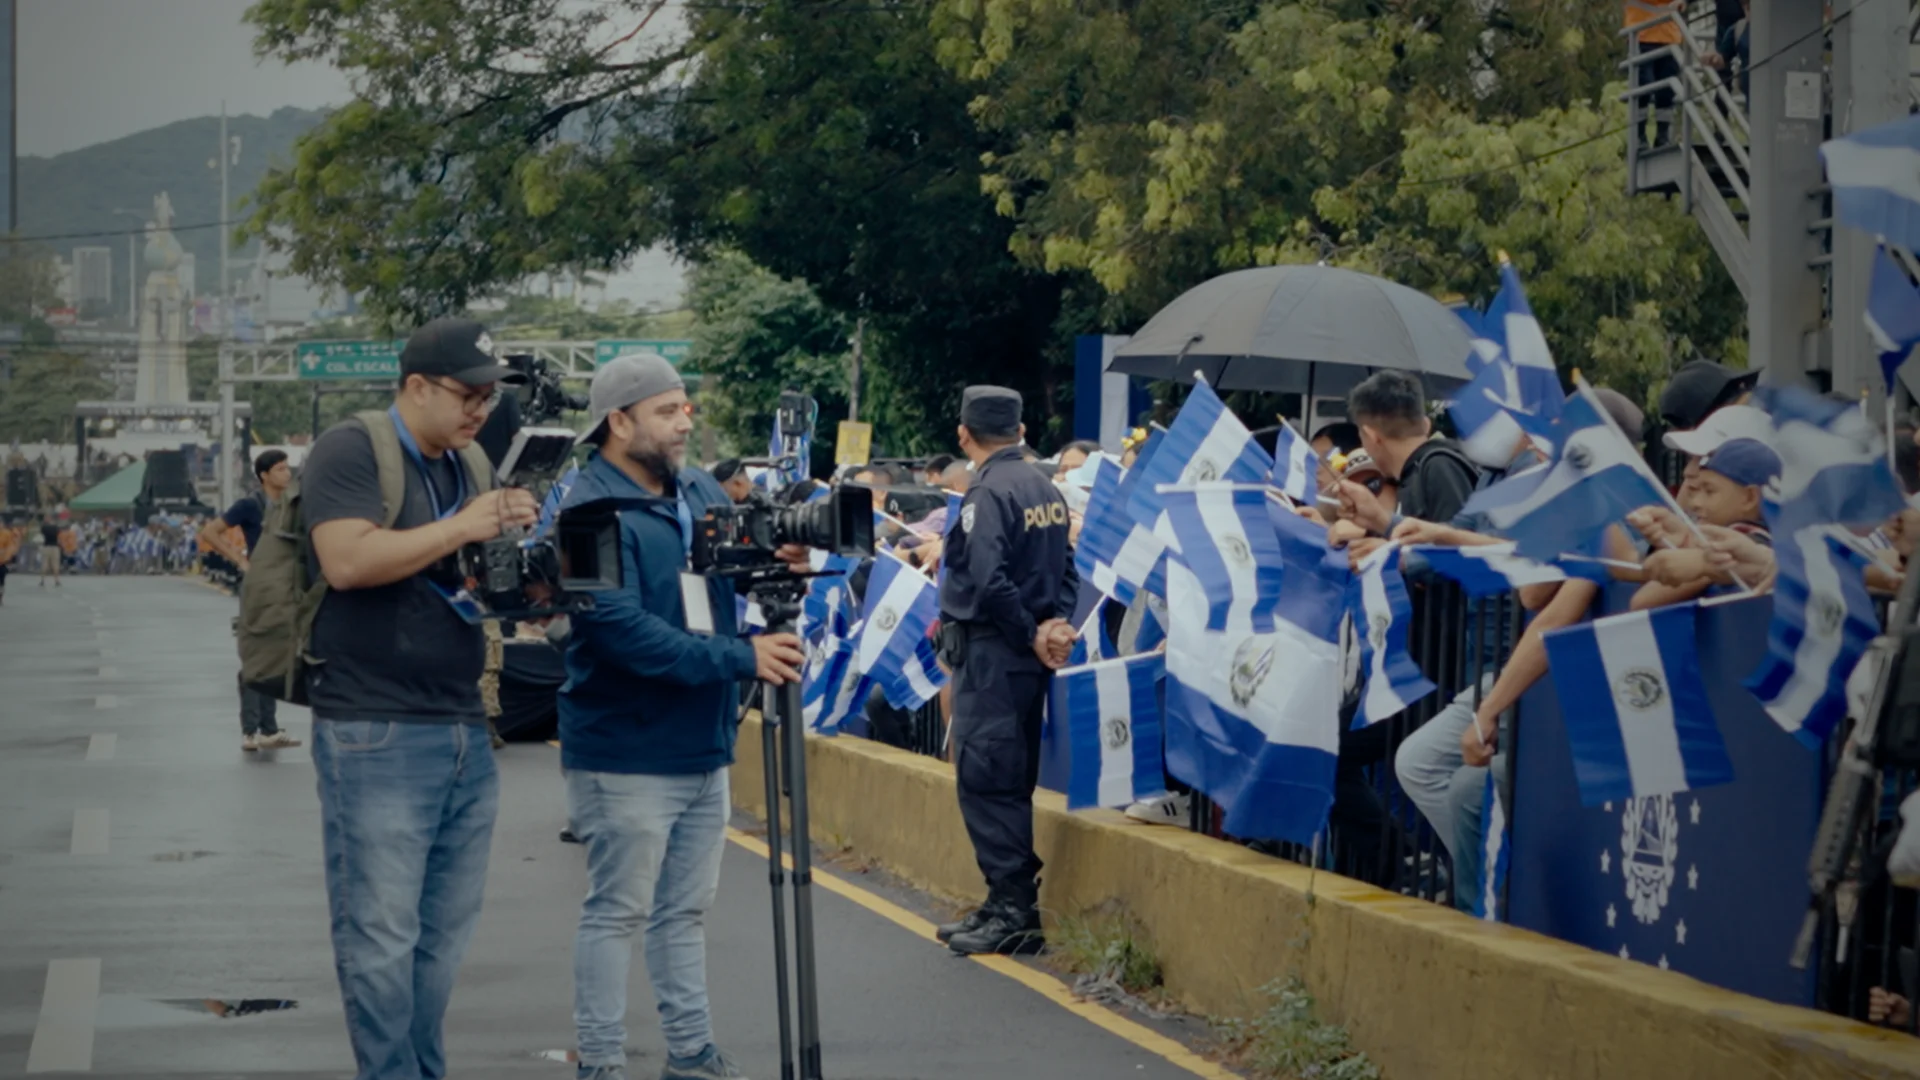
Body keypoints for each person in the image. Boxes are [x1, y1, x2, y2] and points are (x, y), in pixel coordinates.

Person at [300, 317, 536, 1080]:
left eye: (488, 396)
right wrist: (462, 523)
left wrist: (519, 566)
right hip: (374, 723)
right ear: (416, 387)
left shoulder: (467, 461)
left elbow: (461, 578)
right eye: (468, 394)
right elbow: (346, 560)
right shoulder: (352, 448)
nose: (479, 411)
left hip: (462, 717)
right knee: (381, 934)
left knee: (443, 936)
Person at [559, 353, 802, 1080]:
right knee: (617, 912)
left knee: (685, 913)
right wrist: (741, 659)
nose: (684, 421)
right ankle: (600, 1064)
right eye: (667, 411)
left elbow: (730, 566)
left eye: (686, 407)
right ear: (619, 420)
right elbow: (616, 629)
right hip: (625, 747)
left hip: (704, 740)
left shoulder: (696, 489)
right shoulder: (583, 512)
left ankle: (692, 1054)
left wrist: (777, 557)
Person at [935, 385, 1081, 956]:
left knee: (986, 776)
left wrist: (1027, 629)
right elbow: (1067, 566)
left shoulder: (987, 490)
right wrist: (1053, 626)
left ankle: (1015, 911)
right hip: (1023, 655)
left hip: (994, 654)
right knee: (1008, 775)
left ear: (964, 435)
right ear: (1020, 431)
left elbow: (988, 578)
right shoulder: (1044, 486)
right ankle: (1003, 900)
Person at [202, 450, 301, 751]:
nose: (287, 474)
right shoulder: (250, 505)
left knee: (277, 654)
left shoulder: (292, 504)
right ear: (265, 475)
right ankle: (250, 730)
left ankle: (269, 729)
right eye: (281, 469)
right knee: (257, 653)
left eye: (288, 468)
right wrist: (240, 561)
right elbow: (210, 532)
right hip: (259, 586)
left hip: (285, 585)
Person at [1335, 370, 1478, 537]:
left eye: (1361, 437)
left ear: (1371, 436)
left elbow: (1457, 550)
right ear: (1425, 424)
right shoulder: (1418, 472)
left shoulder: (1438, 468)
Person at [37, 515, 61, 587]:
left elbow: (42, 534)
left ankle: (42, 580)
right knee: (55, 564)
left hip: (46, 546)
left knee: (44, 563)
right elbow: (59, 534)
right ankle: (56, 580)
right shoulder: (56, 527)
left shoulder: (43, 527)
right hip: (55, 547)